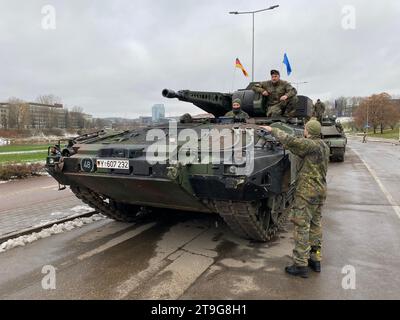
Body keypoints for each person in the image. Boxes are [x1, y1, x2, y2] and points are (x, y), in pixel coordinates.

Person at [260, 118, 330, 278]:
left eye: (305, 128)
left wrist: (273, 130)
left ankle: (300, 264)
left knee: (301, 226)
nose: (303, 130)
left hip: (307, 191)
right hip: (320, 190)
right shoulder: (324, 146)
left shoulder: (310, 145)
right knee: (316, 224)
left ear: (309, 131)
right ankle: (315, 259)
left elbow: (290, 140)